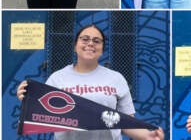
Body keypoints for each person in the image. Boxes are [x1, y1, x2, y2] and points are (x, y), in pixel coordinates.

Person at [17, 24, 164, 140]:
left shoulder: (116, 78)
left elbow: (126, 123)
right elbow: (40, 115)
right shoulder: (57, 78)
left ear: (102, 49)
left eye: (96, 41)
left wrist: (147, 136)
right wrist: (26, 98)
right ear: (75, 46)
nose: (90, 44)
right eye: (85, 39)